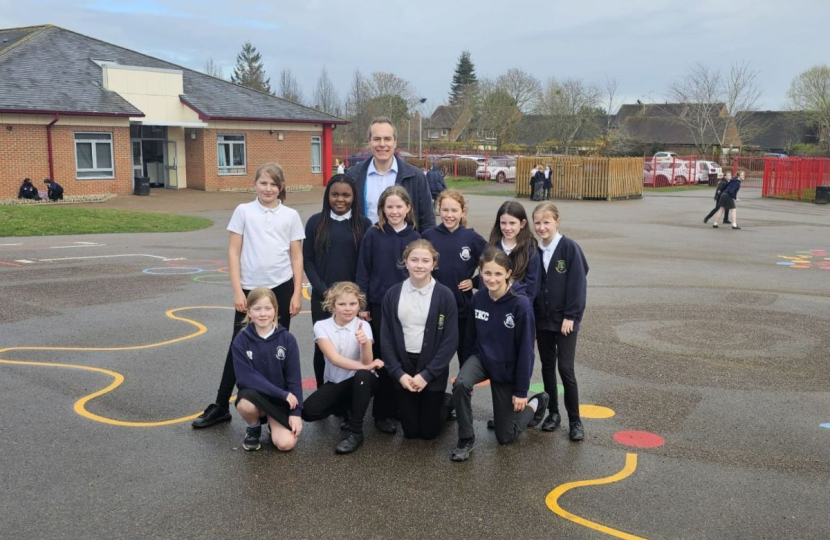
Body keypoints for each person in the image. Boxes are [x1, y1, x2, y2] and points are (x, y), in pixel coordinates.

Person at [192, 163, 305, 429]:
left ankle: (276, 406)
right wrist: (236, 290)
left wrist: (297, 293)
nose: (268, 189)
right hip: (249, 288)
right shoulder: (243, 211)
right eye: (263, 183)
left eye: (273, 184)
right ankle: (221, 405)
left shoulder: (290, 215)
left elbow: (297, 255)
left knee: (279, 349)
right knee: (238, 345)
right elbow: (234, 252)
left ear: (282, 187)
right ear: (255, 184)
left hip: (281, 287)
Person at [451, 247, 549, 462]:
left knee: (505, 436)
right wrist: (465, 371)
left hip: (508, 368)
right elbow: (469, 340)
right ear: (480, 272)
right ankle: (466, 439)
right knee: (460, 384)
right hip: (483, 359)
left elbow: (526, 352)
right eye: (487, 273)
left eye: (497, 273)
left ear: (508, 273)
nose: (492, 279)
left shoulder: (520, 305)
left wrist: (521, 391)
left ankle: (537, 403)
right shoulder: (479, 299)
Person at [356, 185, 420, 434]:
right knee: (384, 357)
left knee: (405, 357)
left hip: (407, 307)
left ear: (408, 208)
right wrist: (363, 305)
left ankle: (401, 408)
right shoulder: (373, 235)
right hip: (379, 306)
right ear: (382, 209)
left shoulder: (415, 237)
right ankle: (382, 412)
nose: (394, 211)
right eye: (389, 206)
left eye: (399, 206)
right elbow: (364, 270)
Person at [381, 239, 458, 440]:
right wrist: (399, 373)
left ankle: (447, 402)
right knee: (411, 432)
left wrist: (427, 375)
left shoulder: (445, 295)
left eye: (425, 260)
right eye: (414, 259)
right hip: (404, 369)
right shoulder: (392, 294)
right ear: (405, 262)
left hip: (433, 370)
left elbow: (450, 341)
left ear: (434, 263)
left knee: (428, 433)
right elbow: (386, 338)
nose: (419, 265)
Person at [303, 175, 372, 388]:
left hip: (352, 300)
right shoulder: (316, 222)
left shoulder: (363, 223)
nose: (340, 199)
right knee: (322, 347)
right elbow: (308, 259)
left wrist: (358, 299)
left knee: (354, 345)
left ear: (354, 197)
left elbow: (366, 264)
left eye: (345, 195)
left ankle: (351, 392)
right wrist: (324, 291)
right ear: (328, 196)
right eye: (335, 194)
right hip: (323, 297)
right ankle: (324, 392)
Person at [301, 282, 384, 454]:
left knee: (362, 376)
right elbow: (334, 359)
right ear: (332, 306)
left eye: (353, 304)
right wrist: (367, 365)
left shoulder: (363, 325)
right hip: (337, 382)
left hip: (362, 380)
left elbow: (367, 361)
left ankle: (356, 432)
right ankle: (346, 406)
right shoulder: (321, 326)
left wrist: (364, 344)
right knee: (309, 411)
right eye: (342, 304)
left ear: (359, 305)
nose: (348, 309)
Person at [532, 202, 589, 441]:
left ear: (557, 221)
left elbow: (578, 283)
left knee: (565, 369)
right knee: (547, 365)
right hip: (542, 319)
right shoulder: (535, 249)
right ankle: (553, 413)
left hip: (564, 321)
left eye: (547, 222)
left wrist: (571, 316)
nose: (542, 227)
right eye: (538, 223)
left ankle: (575, 420)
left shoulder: (568, 248)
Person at [231, 287, 303, 452]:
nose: (263, 314)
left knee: (285, 444)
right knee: (245, 405)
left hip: (279, 401)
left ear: (276, 311)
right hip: (257, 398)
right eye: (257, 309)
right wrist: (282, 394)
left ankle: (274, 423)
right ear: (249, 312)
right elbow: (245, 378)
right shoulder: (241, 340)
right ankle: (253, 427)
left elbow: (294, 379)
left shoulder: (287, 339)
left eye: (268, 308)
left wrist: (296, 413)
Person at [422, 190, 487, 364]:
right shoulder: (429, 236)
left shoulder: (471, 238)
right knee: (435, 353)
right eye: (445, 210)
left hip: (462, 307)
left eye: (454, 210)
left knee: (464, 351)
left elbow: (494, 264)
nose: (449, 215)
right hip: (434, 306)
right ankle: (436, 390)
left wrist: (475, 281)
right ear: (438, 210)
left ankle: (464, 390)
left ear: (462, 212)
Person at [345, 117, 435, 231]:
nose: (382, 144)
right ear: (369, 142)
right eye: (377, 139)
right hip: (365, 246)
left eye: (387, 139)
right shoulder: (353, 176)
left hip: (405, 247)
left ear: (395, 142)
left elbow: (427, 221)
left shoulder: (416, 177)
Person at [488, 201, 541, 299]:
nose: (507, 228)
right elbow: (484, 280)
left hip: (518, 308)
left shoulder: (530, 251)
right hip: (493, 306)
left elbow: (532, 287)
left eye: (512, 223)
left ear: (522, 223)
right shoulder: (491, 247)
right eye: (503, 223)